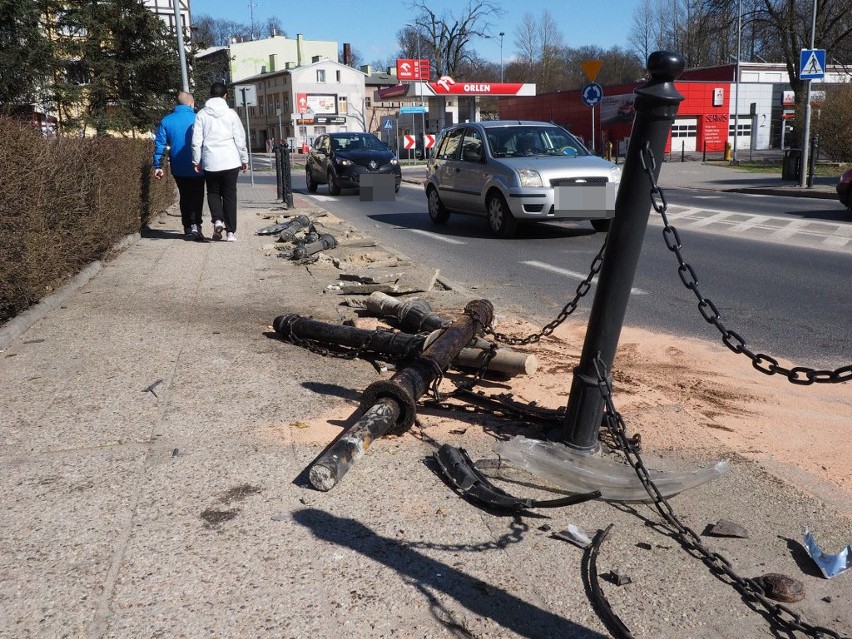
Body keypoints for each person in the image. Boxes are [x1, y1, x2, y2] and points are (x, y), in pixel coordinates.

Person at [192, 82, 248, 242]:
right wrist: (244, 158)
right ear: (225, 96)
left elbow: (196, 141)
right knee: (230, 194)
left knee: (213, 192)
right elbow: (239, 137)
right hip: (231, 160)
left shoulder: (202, 114)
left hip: (211, 161)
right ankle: (231, 233)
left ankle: (218, 220)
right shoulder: (231, 114)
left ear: (210, 95)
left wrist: (196, 160)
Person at [153, 91, 206, 241]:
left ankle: (187, 227)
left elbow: (160, 145)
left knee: (185, 196)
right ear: (191, 103)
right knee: (198, 195)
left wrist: (158, 165)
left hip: (178, 165)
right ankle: (197, 225)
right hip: (198, 165)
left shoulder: (167, 121)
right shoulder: (198, 118)